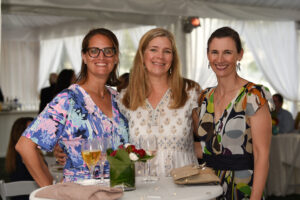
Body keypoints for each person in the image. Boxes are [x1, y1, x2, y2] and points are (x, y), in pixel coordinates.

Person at [16, 28, 129, 187]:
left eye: (108, 51)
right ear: (84, 56)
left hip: (120, 190)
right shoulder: (68, 99)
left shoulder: (118, 99)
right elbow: (25, 146)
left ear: (116, 57)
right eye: (94, 51)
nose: (101, 56)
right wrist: (50, 188)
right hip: (80, 193)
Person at [192, 27, 272, 200]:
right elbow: (202, 149)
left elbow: (262, 155)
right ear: (208, 55)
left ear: (239, 55)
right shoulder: (203, 97)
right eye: (215, 52)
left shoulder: (254, 96)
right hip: (207, 188)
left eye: (227, 52)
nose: (220, 59)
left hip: (243, 188)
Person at [118, 28, 201, 176]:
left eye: (167, 51)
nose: (160, 56)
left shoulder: (190, 92)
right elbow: (114, 143)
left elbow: (209, 138)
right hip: (142, 189)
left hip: (184, 186)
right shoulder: (126, 98)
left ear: (173, 57)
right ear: (142, 55)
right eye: (153, 50)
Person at [5, 117, 35, 200]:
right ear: (20, 135)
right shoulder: (27, 157)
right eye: (32, 130)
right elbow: (46, 185)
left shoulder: (14, 157)